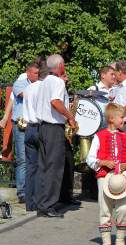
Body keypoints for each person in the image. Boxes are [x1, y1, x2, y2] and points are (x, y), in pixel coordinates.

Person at [86, 103, 126, 245]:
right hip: (104, 177)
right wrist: (102, 162)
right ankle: (106, 242)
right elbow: (90, 158)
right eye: (121, 117)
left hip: (122, 178)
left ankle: (120, 241)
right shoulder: (99, 136)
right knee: (105, 209)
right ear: (111, 119)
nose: (124, 120)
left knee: (123, 208)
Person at [34, 54, 77, 217]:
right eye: (64, 64)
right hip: (53, 128)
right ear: (60, 66)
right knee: (54, 168)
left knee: (44, 167)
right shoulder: (58, 82)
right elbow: (55, 102)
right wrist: (70, 117)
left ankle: (42, 203)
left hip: (43, 127)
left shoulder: (44, 82)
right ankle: (48, 206)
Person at [9, 63, 40, 203]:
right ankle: (22, 192)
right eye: (34, 73)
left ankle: (32, 189)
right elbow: (24, 95)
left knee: (34, 158)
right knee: (22, 159)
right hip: (21, 124)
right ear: (28, 73)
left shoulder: (39, 84)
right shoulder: (19, 83)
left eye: (38, 74)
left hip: (34, 125)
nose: (37, 76)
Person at [22, 60, 48, 211]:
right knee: (41, 167)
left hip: (28, 128)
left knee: (31, 167)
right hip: (40, 127)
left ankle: (29, 204)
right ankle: (39, 202)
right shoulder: (43, 88)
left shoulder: (28, 88)